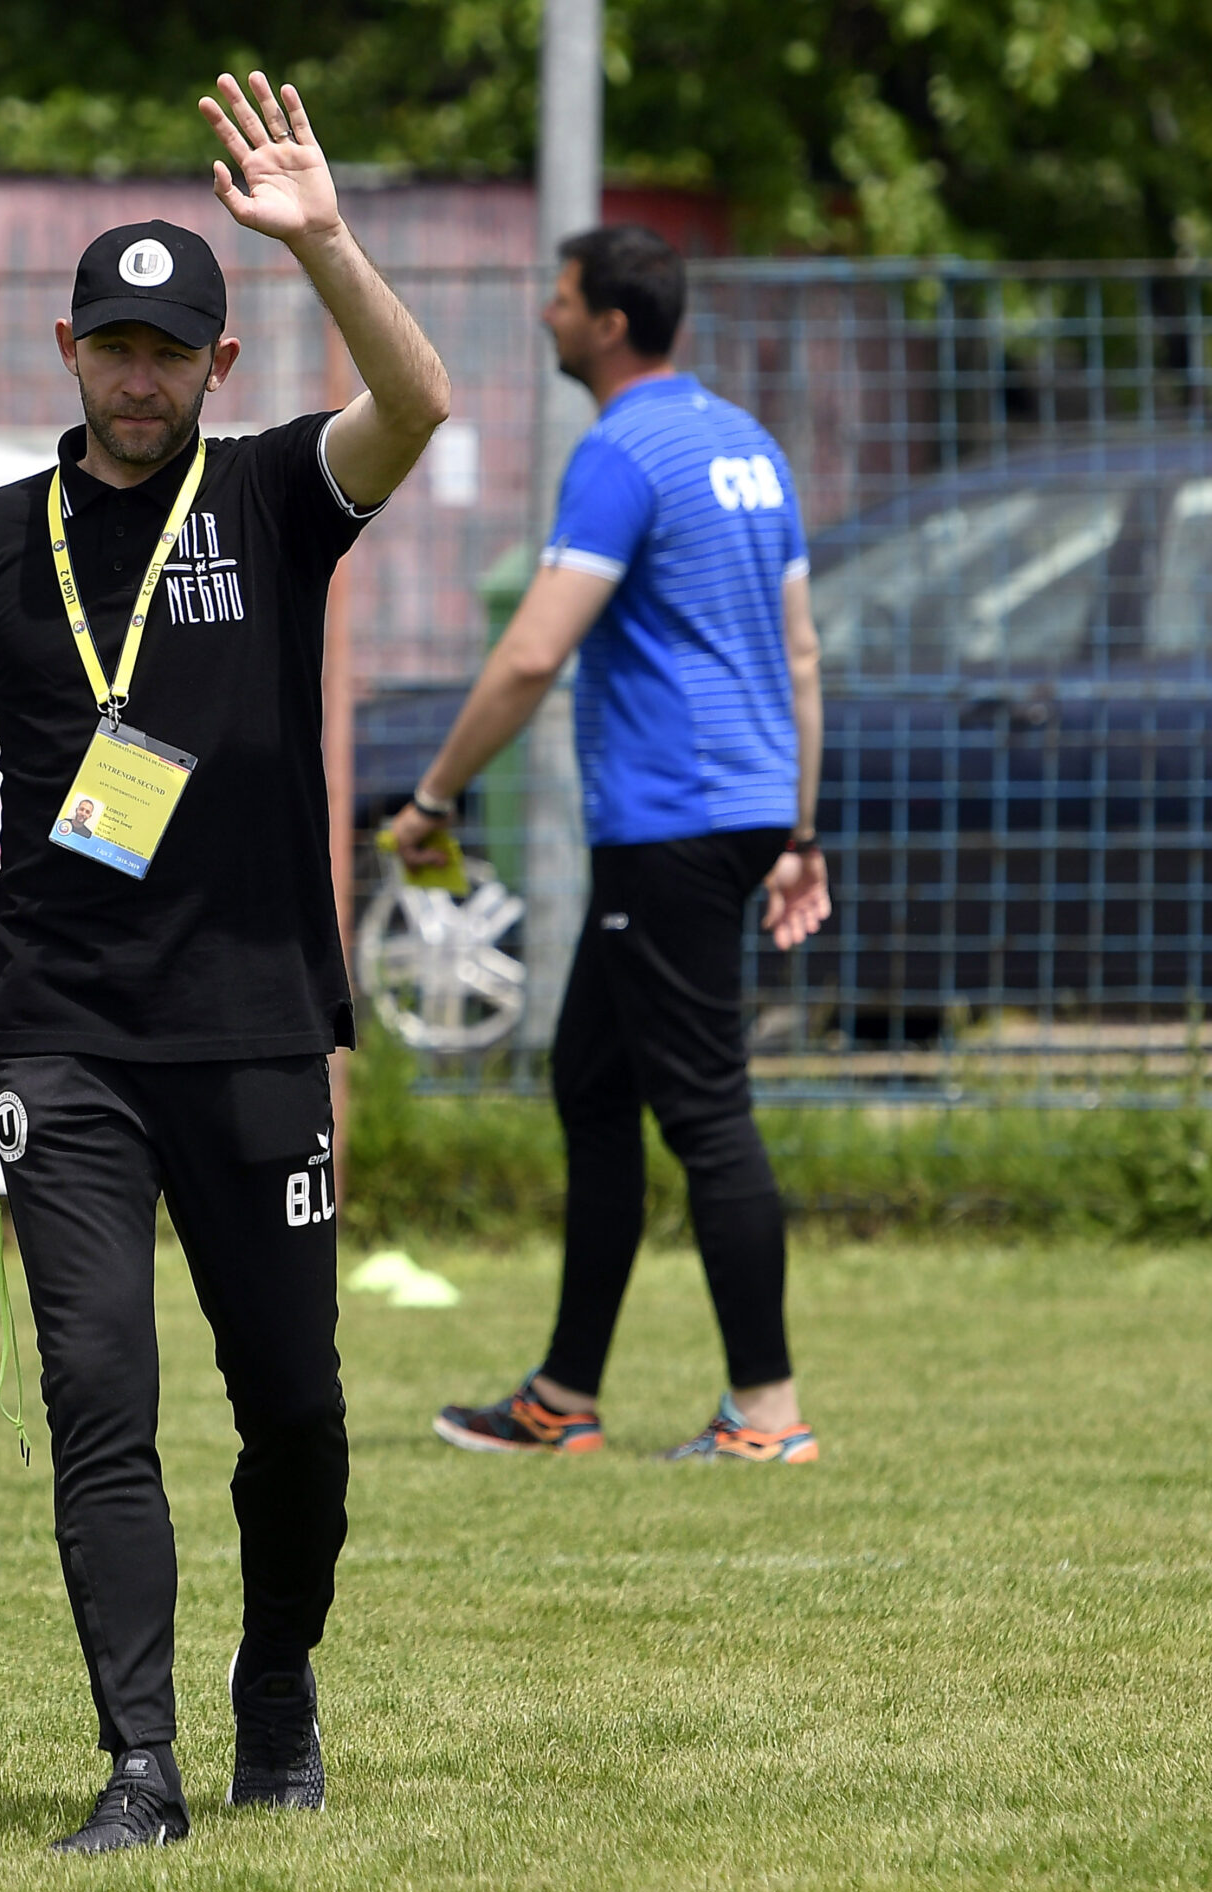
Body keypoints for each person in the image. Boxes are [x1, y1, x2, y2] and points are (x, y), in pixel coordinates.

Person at [0, 72, 448, 1854]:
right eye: (112, 345)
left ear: (221, 366)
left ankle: (278, 1680)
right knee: (95, 1392)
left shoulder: (278, 499)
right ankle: (141, 1763)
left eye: (168, 349)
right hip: (68, 1047)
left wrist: (327, 241)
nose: (138, 375)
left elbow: (416, 405)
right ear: (66, 347)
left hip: (261, 1030)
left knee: (296, 1411)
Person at [392, 224, 832, 1468]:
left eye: (562, 296)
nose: (544, 313)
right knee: (591, 1083)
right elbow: (800, 654)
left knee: (703, 1112)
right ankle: (561, 1398)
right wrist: (798, 829)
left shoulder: (621, 452)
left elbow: (533, 651)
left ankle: (767, 1415)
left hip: (673, 821)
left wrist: (432, 796)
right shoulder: (747, 445)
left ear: (610, 323)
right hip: (739, 810)